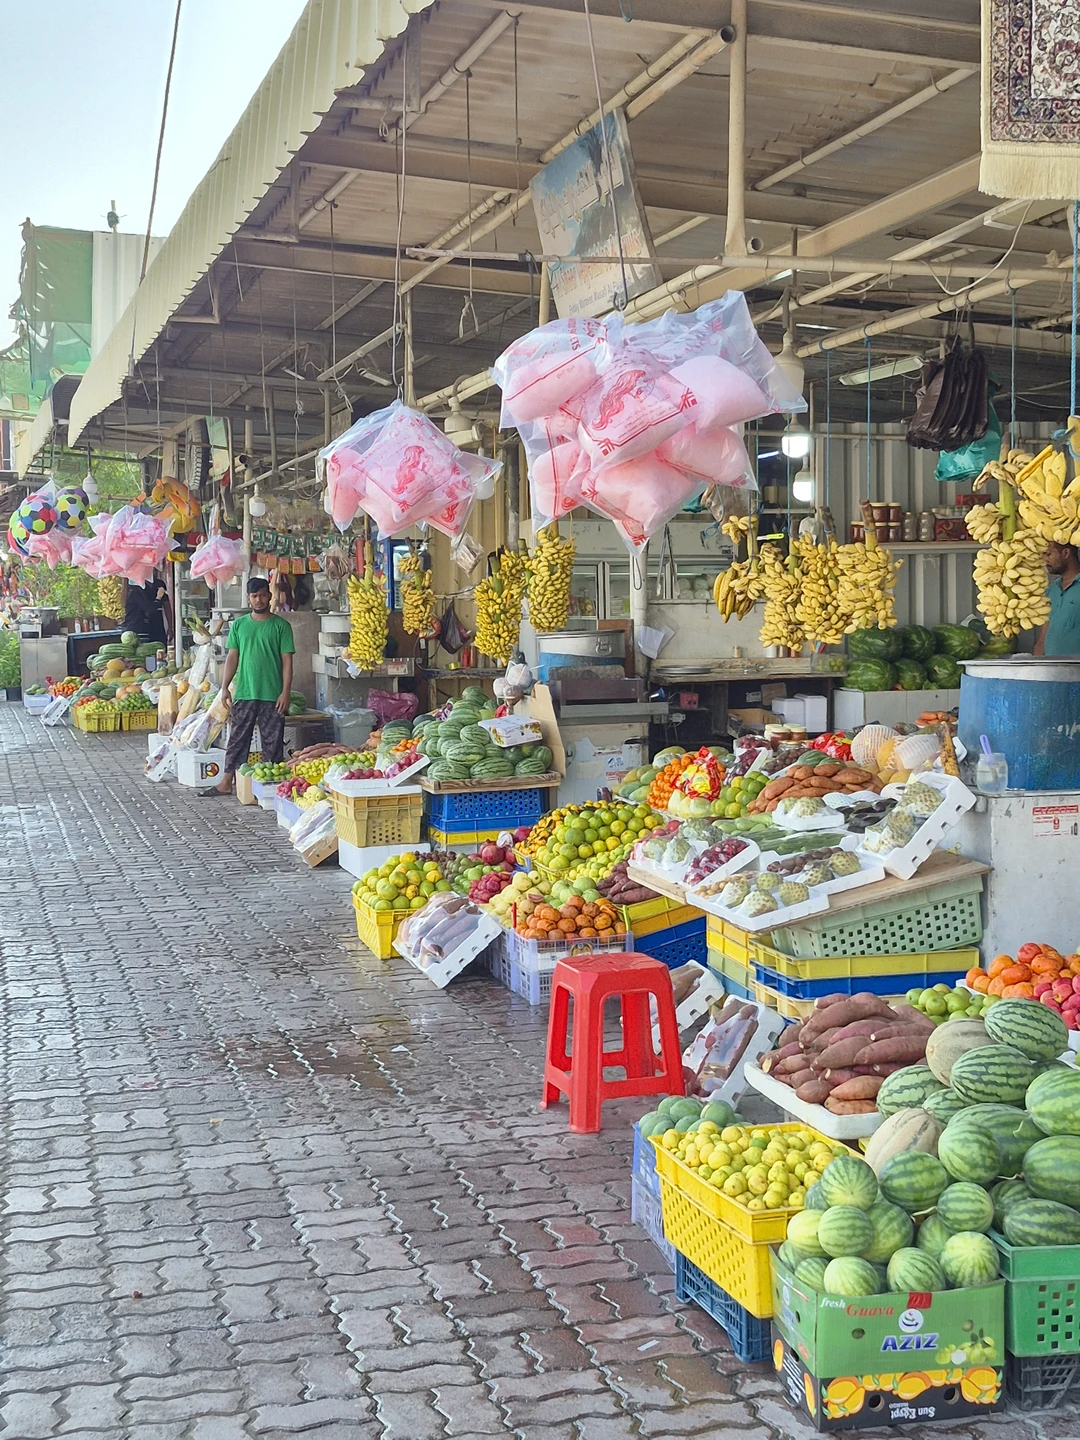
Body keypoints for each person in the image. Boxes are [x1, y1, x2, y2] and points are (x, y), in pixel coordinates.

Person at [209, 577, 295, 795]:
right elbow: (232, 658)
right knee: (237, 738)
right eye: (254, 596)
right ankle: (227, 782)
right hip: (245, 692)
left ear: (270, 596)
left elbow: (287, 662)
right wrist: (225, 687)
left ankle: (272, 788)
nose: (259, 600)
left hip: (272, 694)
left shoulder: (281, 626)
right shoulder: (239, 625)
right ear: (249, 598)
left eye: (263, 595)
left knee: (273, 742)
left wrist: (285, 692)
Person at [1034, 542, 1080, 656]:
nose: (1045, 560)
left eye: (1048, 554)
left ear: (1066, 553)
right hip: (1053, 668)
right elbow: (1042, 639)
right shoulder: (1052, 589)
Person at [123, 576, 169, 644]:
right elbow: (150, 608)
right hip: (136, 629)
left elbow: (166, 605)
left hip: (142, 628)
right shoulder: (136, 593)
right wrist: (158, 597)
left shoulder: (137, 592)